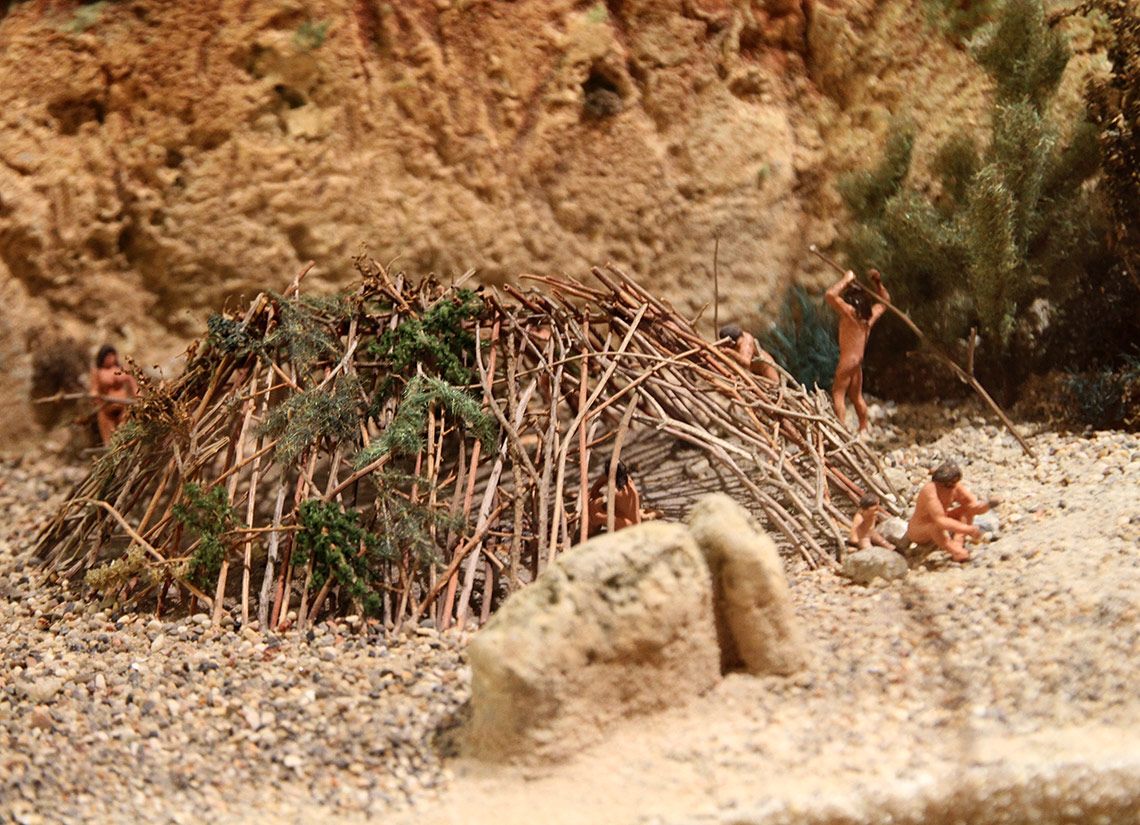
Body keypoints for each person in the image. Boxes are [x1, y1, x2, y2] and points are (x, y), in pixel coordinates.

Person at [824, 268, 889, 432]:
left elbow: (830, 295)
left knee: (838, 393)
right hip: (857, 362)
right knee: (856, 396)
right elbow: (884, 302)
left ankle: (840, 427)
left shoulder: (850, 314)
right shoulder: (868, 318)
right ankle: (864, 426)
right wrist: (877, 282)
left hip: (847, 361)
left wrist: (846, 280)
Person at [903, 461, 999, 563]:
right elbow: (940, 520)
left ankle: (958, 544)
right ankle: (955, 551)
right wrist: (969, 529)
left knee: (966, 510)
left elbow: (972, 506)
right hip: (919, 530)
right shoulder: (929, 490)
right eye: (949, 482)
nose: (952, 485)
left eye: (955, 481)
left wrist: (988, 505)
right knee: (934, 527)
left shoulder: (955, 487)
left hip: (942, 522)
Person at [90, 345, 138, 444]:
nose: (110, 359)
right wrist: (95, 398)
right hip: (106, 408)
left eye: (112, 356)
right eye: (107, 357)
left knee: (126, 432)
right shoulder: (98, 371)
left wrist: (138, 397)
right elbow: (94, 389)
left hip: (123, 406)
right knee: (109, 438)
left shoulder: (122, 368)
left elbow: (133, 385)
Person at [586, 461, 642, 536]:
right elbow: (604, 479)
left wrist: (587, 503)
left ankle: (590, 531)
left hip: (628, 524)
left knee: (595, 514)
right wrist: (592, 491)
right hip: (626, 517)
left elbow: (597, 503)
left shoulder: (615, 492)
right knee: (596, 496)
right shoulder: (626, 478)